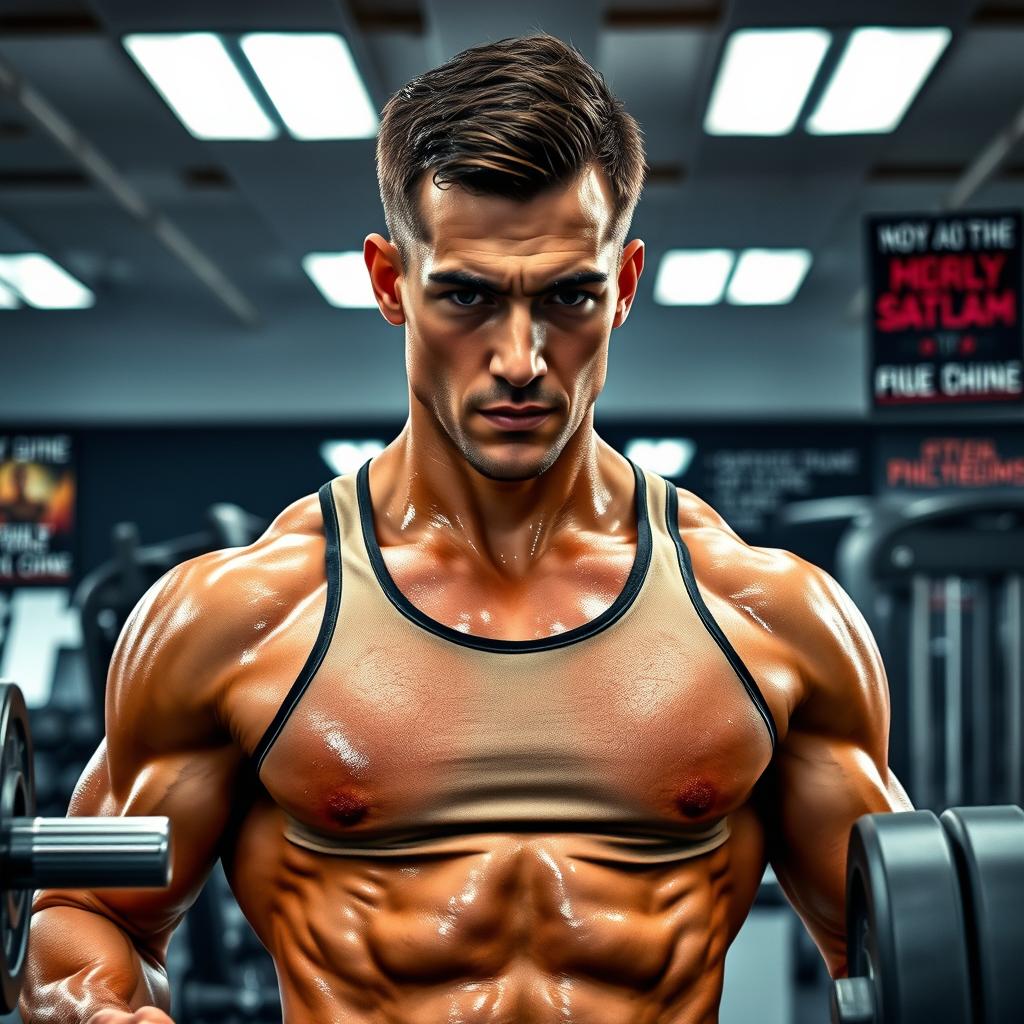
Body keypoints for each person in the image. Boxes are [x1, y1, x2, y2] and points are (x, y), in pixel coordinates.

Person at [22, 33, 909, 1024]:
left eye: (568, 294)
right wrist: (99, 1005)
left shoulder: (768, 619)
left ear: (623, 284)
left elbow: (905, 958)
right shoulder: (238, 619)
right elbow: (87, 907)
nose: (521, 358)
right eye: (468, 295)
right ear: (392, 281)